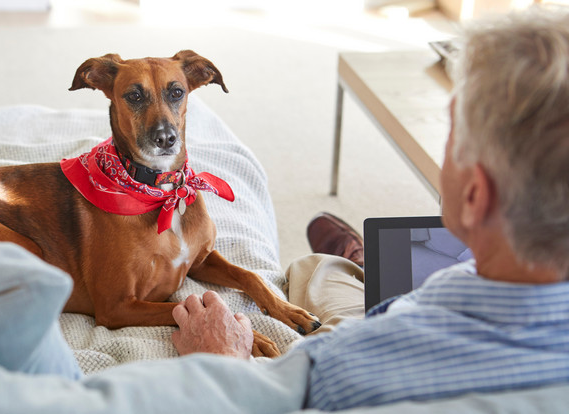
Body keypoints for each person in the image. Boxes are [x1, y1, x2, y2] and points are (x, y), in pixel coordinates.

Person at [172, 8, 569, 410]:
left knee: (317, 268)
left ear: (474, 198)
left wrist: (221, 359)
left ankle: (351, 260)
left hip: (379, 336)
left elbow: (258, 398)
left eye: (451, 136)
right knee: (333, 273)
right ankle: (355, 260)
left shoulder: (350, 368)